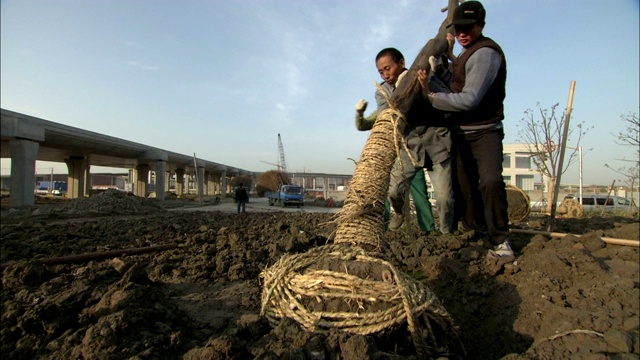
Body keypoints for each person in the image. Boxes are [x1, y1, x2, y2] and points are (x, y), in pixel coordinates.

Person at [421, 1, 513, 259]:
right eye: (458, 28)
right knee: (465, 189)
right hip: (461, 133)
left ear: (481, 25)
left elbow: (469, 98)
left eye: (468, 28)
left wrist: (430, 96)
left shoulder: (485, 53)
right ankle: (477, 234)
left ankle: (501, 240)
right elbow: (455, 83)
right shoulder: (465, 53)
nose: (462, 33)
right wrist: (442, 67)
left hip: (485, 133)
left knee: (491, 182)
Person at [355, 47, 455, 234]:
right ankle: (399, 213)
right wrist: (404, 87)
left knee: (444, 198)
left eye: (388, 68)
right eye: (380, 71)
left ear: (401, 63)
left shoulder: (424, 76)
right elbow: (389, 114)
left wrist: (426, 85)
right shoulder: (382, 91)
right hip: (409, 149)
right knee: (393, 192)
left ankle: (446, 235)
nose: (385, 74)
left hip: (436, 144)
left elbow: (446, 100)